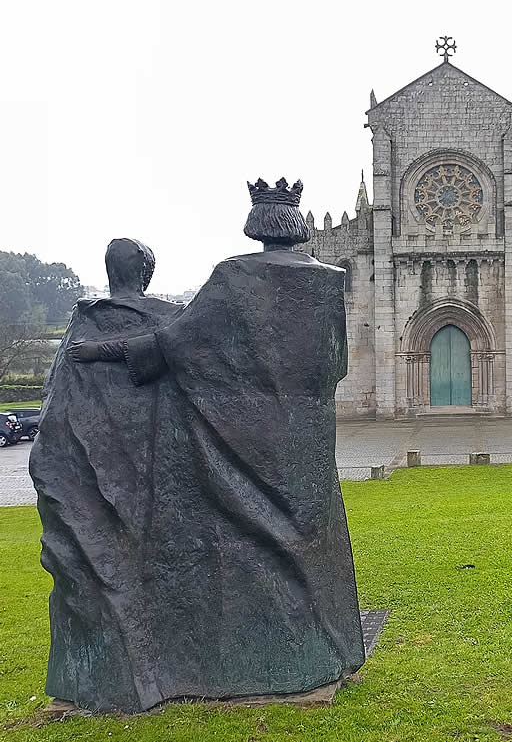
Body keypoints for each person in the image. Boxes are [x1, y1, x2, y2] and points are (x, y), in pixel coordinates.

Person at [64, 179, 365, 710]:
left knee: (251, 536)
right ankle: (322, 648)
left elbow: (176, 343)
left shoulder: (234, 276)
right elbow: (334, 362)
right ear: (296, 227)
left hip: (245, 430)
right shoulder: (327, 282)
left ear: (256, 225)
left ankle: (267, 653)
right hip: (307, 431)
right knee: (309, 537)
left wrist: (101, 350)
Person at [29, 238, 183, 712]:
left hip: (94, 457)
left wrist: (98, 353)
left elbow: (54, 407)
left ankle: (135, 669)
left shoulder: (87, 320)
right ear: (147, 273)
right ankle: (145, 668)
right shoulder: (166, 316)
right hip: (142, 458)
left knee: (107, 558)